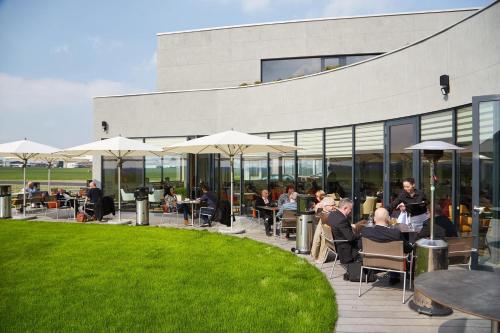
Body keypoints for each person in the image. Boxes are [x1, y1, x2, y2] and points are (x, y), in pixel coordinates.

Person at [361, 207, 414, 285]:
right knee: (397, 252)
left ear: (374, 219)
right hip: (393, 264)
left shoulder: (366, 231)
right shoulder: (395, 233)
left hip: (372, 262)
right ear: (388, 219)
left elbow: (360, 246)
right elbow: (408, 249)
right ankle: (395, 277)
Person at [326, 198, 359, 264]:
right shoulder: (342, 220)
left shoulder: (332, 214)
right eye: (350, 209)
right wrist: (361, 234)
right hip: (344, 247)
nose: (351, 211)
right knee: (366, 242)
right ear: (345, 208)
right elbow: (351, 238)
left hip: (336, 243)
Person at [311, 196, 337, 262]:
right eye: (332, 205)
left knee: (320, 235)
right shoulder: (329, 215)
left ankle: (315, 255)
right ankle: (319, 258)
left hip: (327, 235)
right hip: (332, 239)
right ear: (325, 206)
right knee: (322, 236)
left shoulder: (323, 213)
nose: (334, 206)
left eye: (335, 204)